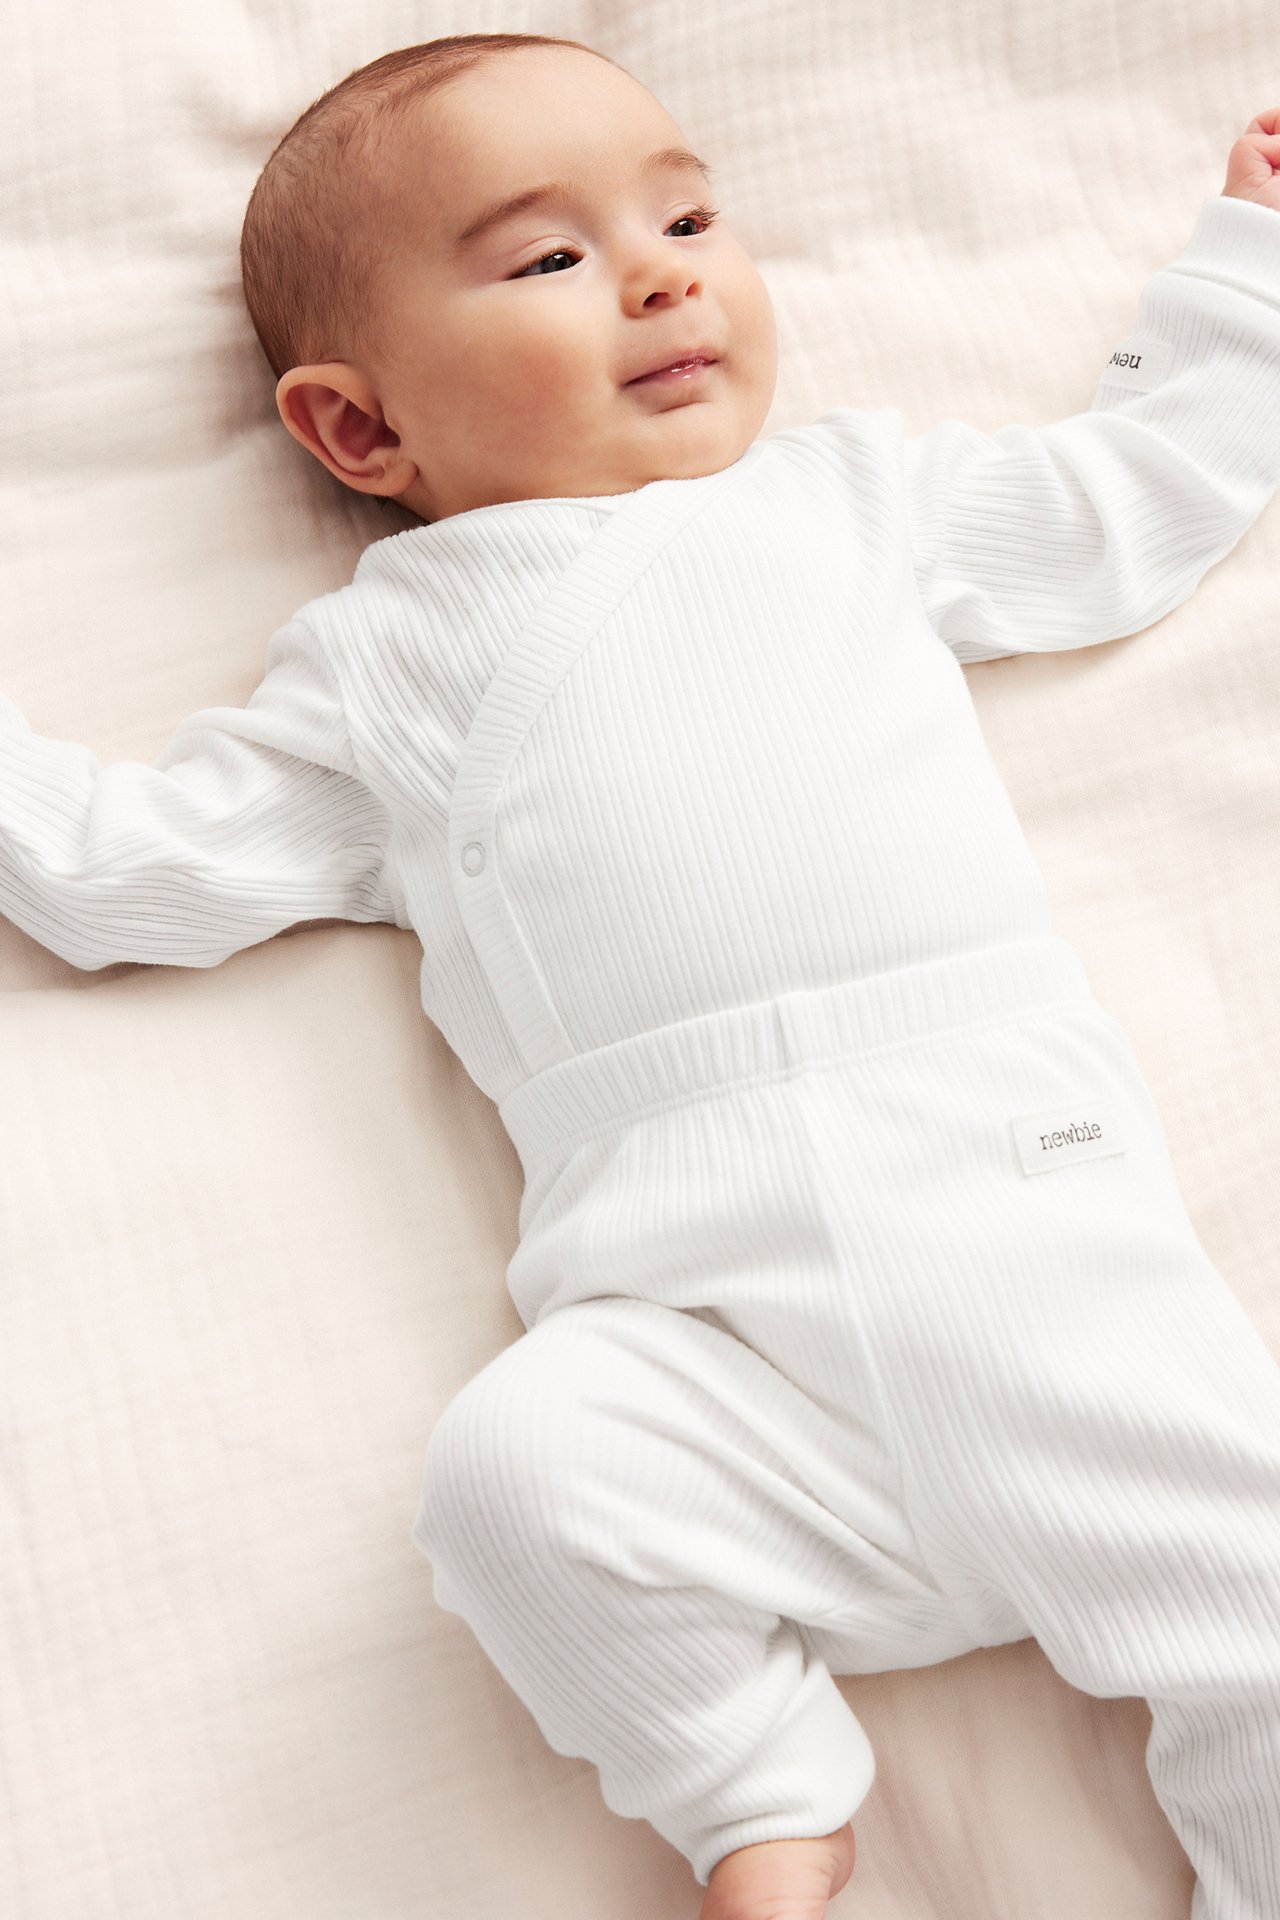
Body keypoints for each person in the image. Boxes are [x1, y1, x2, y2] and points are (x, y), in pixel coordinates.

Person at [6, 30, 1280, 1919]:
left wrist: (1245, 267)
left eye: (688, 219)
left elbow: (1135, 499)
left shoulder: (852, 500)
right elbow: (127, 871)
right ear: (359, 433)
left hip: (1015, 1225)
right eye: (550, 256)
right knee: (516, 1475)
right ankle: (753, 1795)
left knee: (1256, 1612)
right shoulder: (384, 665)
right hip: (702, 1329)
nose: (668, 275)